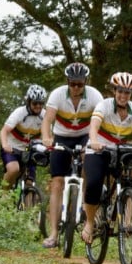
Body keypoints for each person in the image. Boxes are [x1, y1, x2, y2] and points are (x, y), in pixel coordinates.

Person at [80, 71, 132, 245]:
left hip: (118, 151)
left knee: (129, 182)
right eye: (120, 91)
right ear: (114, 90)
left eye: (127, 92)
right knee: (93, 183)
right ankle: (89, 222)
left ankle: (128, 221)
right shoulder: (104, 105)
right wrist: (93, 141)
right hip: (98, 149)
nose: (123, 95)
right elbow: (94, 125)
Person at [40, 62, 102, 248]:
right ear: (68, 82)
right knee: (57, 182)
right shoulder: (58, 95)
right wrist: (46, 137)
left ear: (85, 82)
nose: (76, 88)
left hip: (84, 136)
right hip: (62, 137)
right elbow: (47, 120)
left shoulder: (95, 96)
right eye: (73, 84)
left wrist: (96, 141)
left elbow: (100, 120)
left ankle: (86, 209)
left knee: (88, 168)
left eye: (80, 84)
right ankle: (53, 234)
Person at [0, 84, 48, 188]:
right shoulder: (19, 112)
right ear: (29, 102)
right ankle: (3, 195)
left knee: (30, 182)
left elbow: (48, 135)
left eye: (41, 103)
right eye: (35, 103)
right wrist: (4, 144)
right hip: (13, 147)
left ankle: (29, 203)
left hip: (30, 149)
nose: (38, 106)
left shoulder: (45, 115)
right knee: (13, 170)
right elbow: (4, 131)